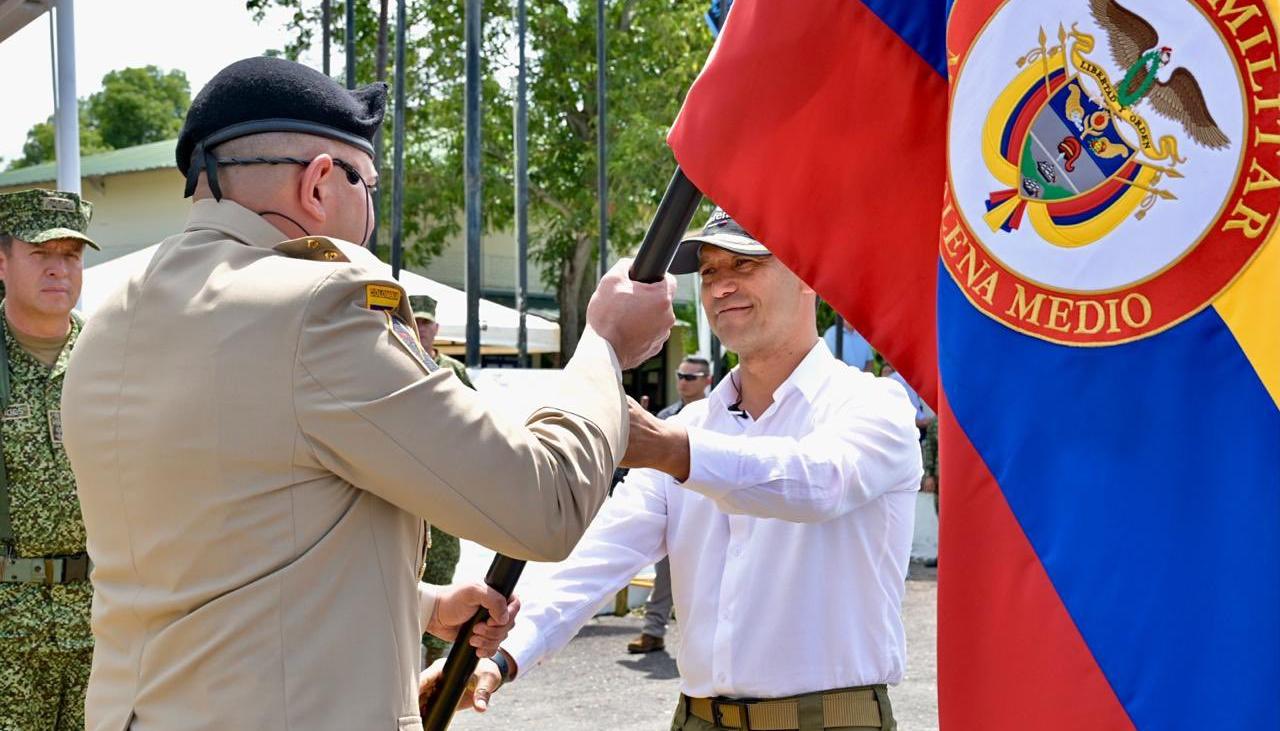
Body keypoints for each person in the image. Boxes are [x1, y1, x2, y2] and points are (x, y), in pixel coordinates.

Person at [59, 57, 675, 731]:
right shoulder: (314, 306)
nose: (371, 212)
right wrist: (605, 345)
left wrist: (418, 604)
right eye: (369, 184)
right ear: (322, 181)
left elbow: (209, 560)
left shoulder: (109, 324)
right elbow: (544, 502)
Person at [460, 208, 922, 730]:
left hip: (827, 720)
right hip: (698, 717)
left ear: (808, 276)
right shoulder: (692, 428)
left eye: (744, 265)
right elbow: (598, 559)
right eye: (708, 272)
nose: (721, 287)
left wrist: (674, 451)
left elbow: (819, 483)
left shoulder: (874, 405)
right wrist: (499, 659)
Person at [0, 189, 97, 731]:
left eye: (72, 255)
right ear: (2, 261)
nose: (60, 270)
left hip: (100, 624)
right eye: (41, 254)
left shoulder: (109, 354)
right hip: (7, 638)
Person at [626, 356, 712, 654]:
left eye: (691, 377)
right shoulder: (668, 415)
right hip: (673, 502)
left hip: (710, 509)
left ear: (707, 380)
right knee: (665, 574)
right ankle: (653, 630)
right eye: (680, 375)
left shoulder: (723, 414)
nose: (684, 381)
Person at [408, 294, 470, 664]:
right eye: (415, 321)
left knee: (444, 564)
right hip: (402, 481)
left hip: (444, 482)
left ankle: (432, 663)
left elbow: (474, 416)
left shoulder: (452, 370)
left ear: (437, 328)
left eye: (427, 322)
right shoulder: (392, 360)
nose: (422, 328)